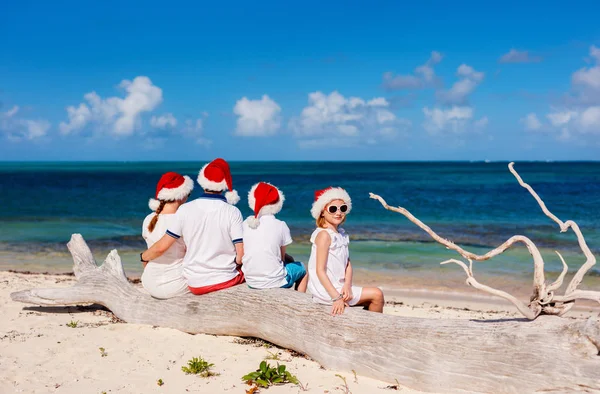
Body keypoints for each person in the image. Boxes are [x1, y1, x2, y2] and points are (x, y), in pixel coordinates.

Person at [141, 158, 245, 295]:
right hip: (177, 284)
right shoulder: (232, 211)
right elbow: (162, 247)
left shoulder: (154, 218)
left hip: (157, 281)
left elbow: (160, 247)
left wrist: (143, 257)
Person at [307, 187, 385, 315]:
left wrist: (347, 285)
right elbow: (319, 271)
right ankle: (372, 331)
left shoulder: (340, 234)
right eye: (332, 209)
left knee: (372, 297)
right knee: (377, 295)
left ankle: (366, 328)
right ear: (322, 212)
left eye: (342, 208)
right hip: (327, 290)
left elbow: (347, 264)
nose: (338, 213)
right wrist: (336, 298)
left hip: (340, 287)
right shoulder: (324, 235)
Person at [242, 182, 308, 291]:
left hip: (251, 280)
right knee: (303, 269)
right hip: (274, 281)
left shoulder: (246, 223)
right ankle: (299, 299)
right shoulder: (281, 225)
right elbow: (281, 258)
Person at [141, 171, 194, 299]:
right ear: (181, 195)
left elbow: (149, 254)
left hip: (149, 282)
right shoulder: (183, 220)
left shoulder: (149, 218)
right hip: (175, 285)